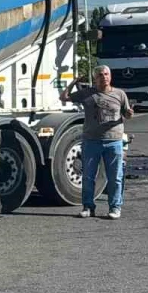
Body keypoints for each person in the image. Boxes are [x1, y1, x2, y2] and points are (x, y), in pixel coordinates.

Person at [61, 65, 133, 219]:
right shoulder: (87, 93)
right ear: (95, 78)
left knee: (115, 177)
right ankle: (88, 207)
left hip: (114, 141)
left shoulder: (120, 94)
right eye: (100, 75)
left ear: (110, 76)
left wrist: (129, 113)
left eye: (106, 74)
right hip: (91, 141)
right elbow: (64, 97)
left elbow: (127, 115)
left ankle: (115, 208)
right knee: (88, 176)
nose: (104, 77)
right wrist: (74, 82)